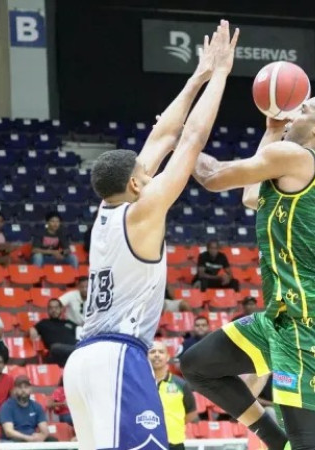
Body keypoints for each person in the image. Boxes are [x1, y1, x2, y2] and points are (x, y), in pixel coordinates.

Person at [63, 22, 238, 450]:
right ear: (138, 184)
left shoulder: (107, 209)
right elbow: (190, 140)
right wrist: (220, 76)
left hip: (81, 362)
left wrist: (197, 74)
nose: (151, 170)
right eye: (146, 172)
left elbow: (161, 136)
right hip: (117, 356)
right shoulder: (143, 212)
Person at [181, 78, 315, 449]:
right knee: (197, 366)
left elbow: (214, 177)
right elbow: (251, 195)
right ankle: (274, 440)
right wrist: (272, 131)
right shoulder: (313, 168)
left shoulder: (297, 158)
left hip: (306, 320)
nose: (294, 111)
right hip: (281, 315)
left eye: (304, 109)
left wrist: (181, 136)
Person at [150, 341, 198, 450]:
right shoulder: (140, 385)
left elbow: (191, 413)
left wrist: (174, 424)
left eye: (161, 352)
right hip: (148, 442)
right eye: (152, 352)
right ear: (146, 357)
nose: (157, 354)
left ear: (167, 357)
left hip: (175, 444)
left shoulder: (181, 384)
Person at [0, 376, 55, 443]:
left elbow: (45, 430)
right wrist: (28, 438)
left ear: (30, 389)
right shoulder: (7, 406)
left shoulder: (37, 406)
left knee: (52, 440)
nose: (23, 390)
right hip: (15, 439)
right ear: (15, 390)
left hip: (32, 437)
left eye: (26, 387)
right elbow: (9, 432)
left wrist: (40, 438)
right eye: (20, 387)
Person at [30, 298, 77, 366]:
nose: (54, 310)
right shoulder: (43, 323)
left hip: (72, 355)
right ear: (48, 310)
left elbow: (81, 334)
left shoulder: (70, 323)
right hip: (55, 354)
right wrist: (32, 330)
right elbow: (32, 332)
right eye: (51, 308)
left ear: (61, 309)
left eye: (56, 307)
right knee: (55, 347)